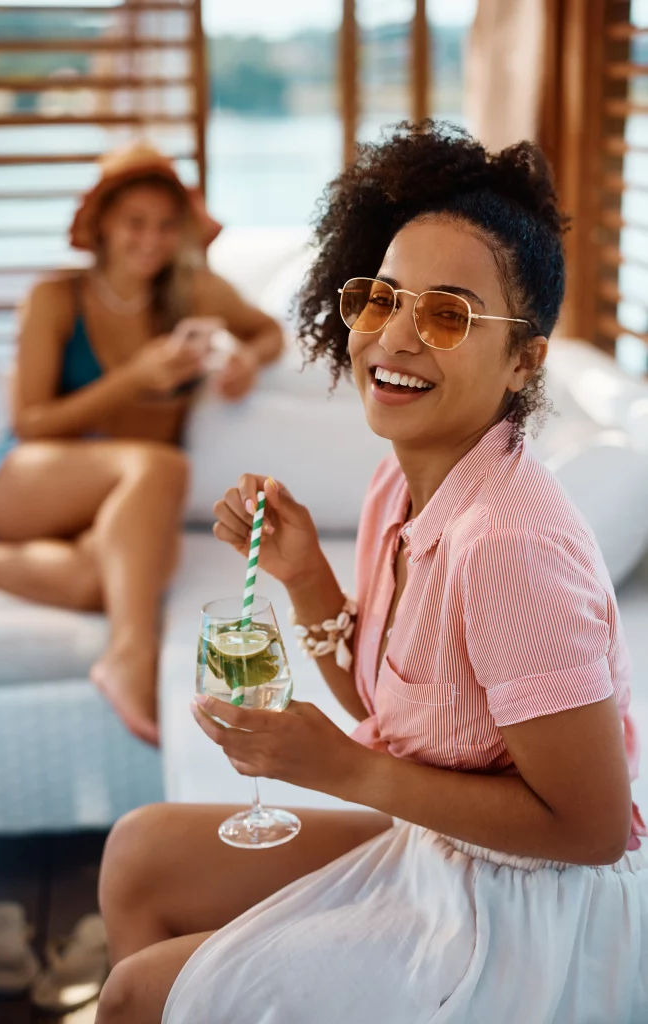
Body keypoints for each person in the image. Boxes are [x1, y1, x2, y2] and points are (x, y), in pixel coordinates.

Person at [95, 123, 648, 1023]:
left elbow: (589, 831)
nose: (393, 337)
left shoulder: (509, 545)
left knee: (133, 996)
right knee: (140, 853)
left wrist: (343, 772)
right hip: (445, 851)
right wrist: (305, 573)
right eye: (380, 299)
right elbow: (387, 708)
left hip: (533, 914)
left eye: (445, 314)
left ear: (523, 360)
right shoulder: (403, 477)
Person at [0, 143, 283, 746]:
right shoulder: (56, 299)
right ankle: (130, 655)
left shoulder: (194, 294)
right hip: (28, 479)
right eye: (134, 222)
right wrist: (134, 379)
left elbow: (267, 331)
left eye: (166, 225)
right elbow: (31, 421)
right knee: (163, 467)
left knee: (100, 581)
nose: (151, 239)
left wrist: (245, 358)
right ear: (103, 226)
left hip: (124, 503)